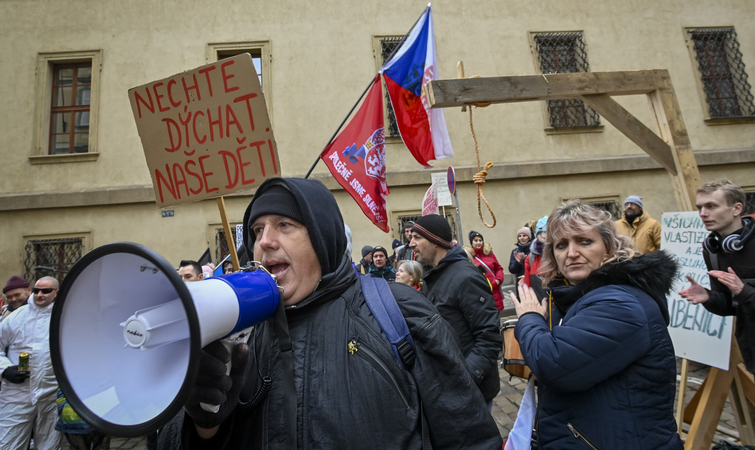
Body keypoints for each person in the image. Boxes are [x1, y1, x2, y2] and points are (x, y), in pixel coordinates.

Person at [158, 178, 502, 449]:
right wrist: (205, 425)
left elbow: (467, 434)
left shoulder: (398, 311)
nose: (264, 241)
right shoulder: (238, 333)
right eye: (257, 230)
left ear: (323, 237)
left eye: (284, 225)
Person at [511, 201, 682, 449]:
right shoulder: (579, 295)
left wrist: (529, 318)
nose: (571, 253)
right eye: (561, 245)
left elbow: (554, 362)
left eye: (584, 241)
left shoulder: (620, 302)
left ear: (609, 246)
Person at [678, 179, 755, 450]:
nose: (703, 213)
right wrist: (710, 298)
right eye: (700, 207)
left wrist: (747, 293)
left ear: (736, 209)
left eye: (711, 206)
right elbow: (732, 305)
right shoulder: (714, 251)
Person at [409, 215, 503, 409]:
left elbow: (489, 338)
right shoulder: (433, 275)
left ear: (435, 241)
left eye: (417, 237)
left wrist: (465, 380)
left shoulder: (466, 277)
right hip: (448, 387)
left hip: (471, 393)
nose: (411, 243)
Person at [0, 276, 62, 450]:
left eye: (46, 291)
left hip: (50, 395)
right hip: (16, 395)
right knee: (8, 445)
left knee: (49, 446)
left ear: (56, 292)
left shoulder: (64, 318)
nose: (39, 294)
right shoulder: (16, 317)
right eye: (36, 290)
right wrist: (4, 370)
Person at [465, 230, 505, 312]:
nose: (478, 243)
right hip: (480, 291)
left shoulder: (489, 254)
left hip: (494, 290)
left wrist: (498, 280)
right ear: (471, 242)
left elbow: (498, 268)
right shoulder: (469, 257)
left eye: (480, 240)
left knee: (496, 315)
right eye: (476, 240)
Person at [523, 217, 549, 300]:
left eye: (545, 232)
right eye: (540, 233)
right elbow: (528, 287)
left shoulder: (561, 255)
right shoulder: (531, 258)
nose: (543, 236)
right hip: (539, 306)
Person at [508, 227, 532, 296]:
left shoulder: (534, 251)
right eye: (519, 236)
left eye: (524, 236)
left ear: (529, 237)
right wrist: (517, 262)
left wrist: (526, 258)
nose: (522, 238)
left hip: (532, 281)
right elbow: (512, 270)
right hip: (520, 283)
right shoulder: (515, 251)